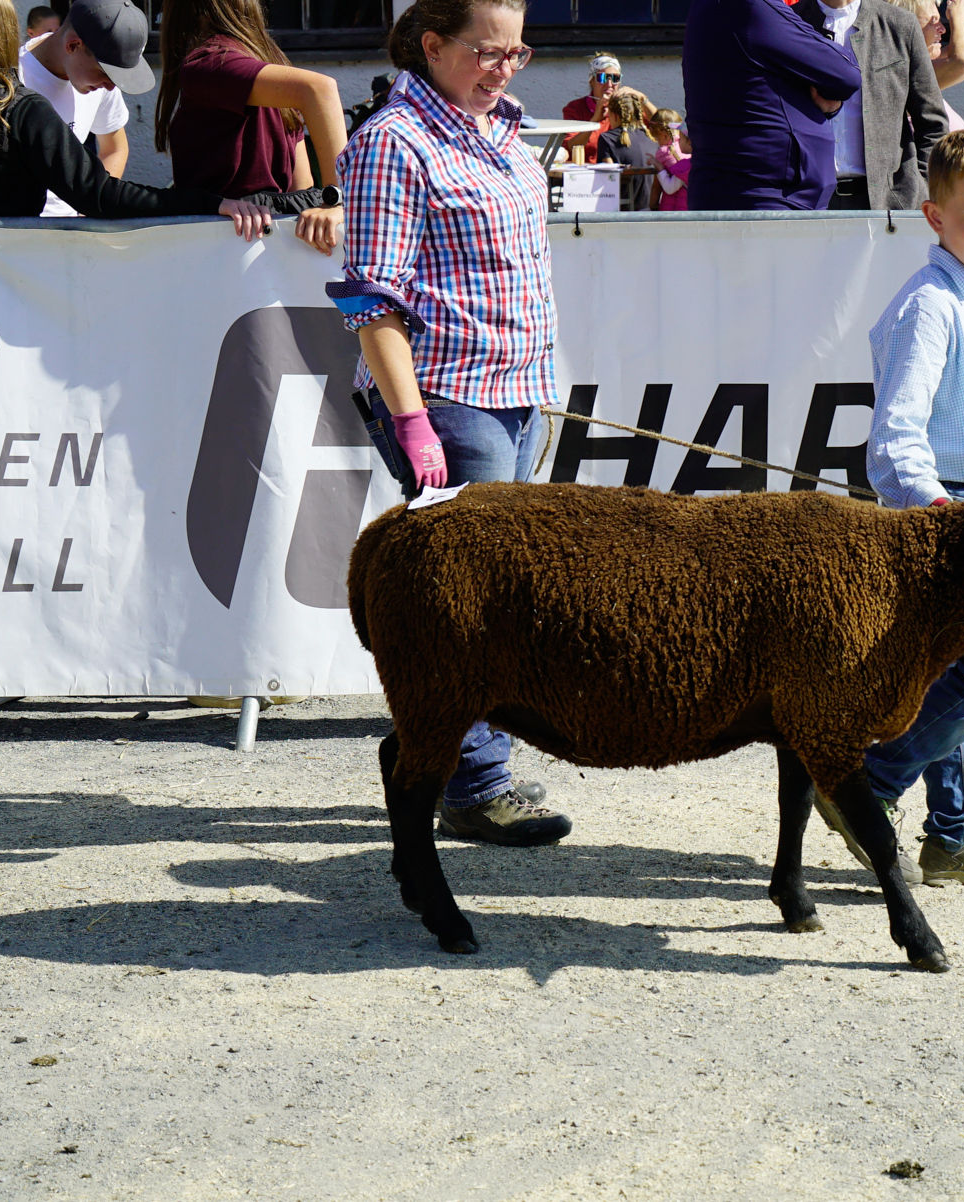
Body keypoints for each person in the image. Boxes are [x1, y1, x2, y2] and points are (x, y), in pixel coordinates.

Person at [326, 0, 569, 847]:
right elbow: (369, 299)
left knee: (493, 595)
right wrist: (414, 421)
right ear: (432, 47)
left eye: (518, 52)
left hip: (517, 390)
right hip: (448, 393)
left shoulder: (505, 132)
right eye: (487, 51)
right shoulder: (393, 142)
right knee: (476, 600)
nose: (505, 67)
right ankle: (477, 780)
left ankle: (441, 754)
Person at [813, 128, 964, 885]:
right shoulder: (929, 307)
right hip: (938, 520)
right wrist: (940, 518)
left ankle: (955, 831)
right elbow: (895, 437)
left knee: (954, 673)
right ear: (934, 218)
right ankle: (869, 786)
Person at [0, 0, 269, 235]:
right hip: (1, 310)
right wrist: (209, 203)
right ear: (0, 38)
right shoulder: (20, 108)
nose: (108, 86)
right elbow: (103, 196)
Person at [154, 0, 349, 256]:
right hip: (285, 244)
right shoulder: (270, 64)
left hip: (231, 245)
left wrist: (338, 200)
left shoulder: (207, 66)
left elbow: (319, 89)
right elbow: (301, 183)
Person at [681, 0, 862, 211]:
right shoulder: (752, 8)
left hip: (751, 192)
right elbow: (845, 73)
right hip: (770, 198)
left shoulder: (712, 8)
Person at [794, 0, 948, 210]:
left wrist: (922, 187)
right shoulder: (788, 23)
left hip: (890, 204)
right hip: (806, 202)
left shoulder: (900, 24)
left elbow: (933, 123)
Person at [19, 0, 133, 217]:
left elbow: (114, 148)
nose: (111, 85)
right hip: (16, 233)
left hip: (74, 233)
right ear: (72, 46)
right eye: (105, 73)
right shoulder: (13, 77)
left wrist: (90, 208)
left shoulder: (100, 84)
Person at [560, 52, 652, 164]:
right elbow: (570, 148)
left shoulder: (627, 106)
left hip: (623, 175)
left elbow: (664, 127)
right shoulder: (575, 108)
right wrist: (594, 121)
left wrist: (643, 99)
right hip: (586, 174)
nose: (609, 84)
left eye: (615, 78)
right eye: (602, 78)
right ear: (592, 81)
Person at [900, 0, 964, 130]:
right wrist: (958, 15)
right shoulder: (903, 74)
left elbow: (962, 51)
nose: (943, 29)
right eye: (933, 22)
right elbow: (961, 62)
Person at [596, 91, 658, 212]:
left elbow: (608, 179)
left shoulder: (607, 138)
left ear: (614, 116)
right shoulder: (652, 136)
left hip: (623, 210)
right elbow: (664, 121)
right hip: (652, 207)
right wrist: (643, 98)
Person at [647, 107, 690, 211]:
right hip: (688, 205)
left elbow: (666, 187)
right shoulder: (688, 155)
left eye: (657, 139)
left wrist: (659, 168)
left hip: (673, 207)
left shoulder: (664, 152)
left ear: (664, 135)